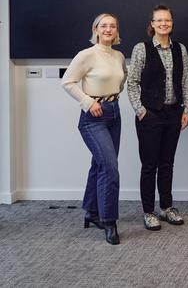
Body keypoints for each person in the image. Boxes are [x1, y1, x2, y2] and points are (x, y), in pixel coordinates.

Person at [62, 13, 127, 245]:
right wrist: (89, 102)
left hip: (114, 114)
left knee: (100, 164)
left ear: (117, 30)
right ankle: (109, 221)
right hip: (93, 117)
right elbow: (67, 82)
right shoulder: (86, 55)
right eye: (104, 26)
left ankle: (91, 210)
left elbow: (121, 81)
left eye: (113, 26)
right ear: (96, 29)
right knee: (110, 168)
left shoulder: (119, 56)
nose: (108, 29)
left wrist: (110, 100)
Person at [127, 5, 188, 231]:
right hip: (150, 114)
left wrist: (187, 109)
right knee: (149, 165)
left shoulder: (180, 49)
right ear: (152, 24)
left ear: (171, 23)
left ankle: (166, 207)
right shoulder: (141, 49)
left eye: (167, 20)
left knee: (167, 163)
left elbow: (184, 82)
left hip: (173, 113)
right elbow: (132, 82)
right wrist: (140, 110)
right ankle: (148, 211)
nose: (164, 24)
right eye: (159, 20)